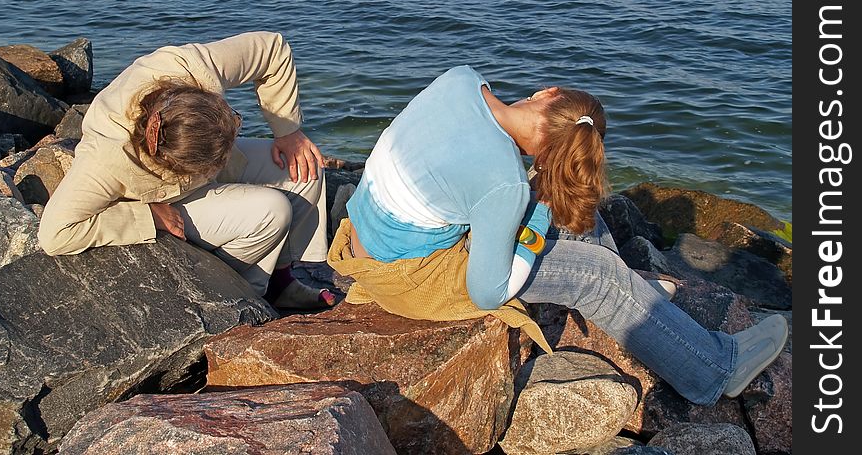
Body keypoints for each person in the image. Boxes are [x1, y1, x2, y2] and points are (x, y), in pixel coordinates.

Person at [328, 65, 788, 405]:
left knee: (564, 205)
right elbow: (487, 293)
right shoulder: (503, 182)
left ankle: (634, 296)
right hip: (404, 274)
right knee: (596, 273)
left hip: (367, 232)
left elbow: (474, 168)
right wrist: (538, 215)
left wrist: (540, 200)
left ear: (546, 93)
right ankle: (713, 370)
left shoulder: (462, 80)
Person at [38, 31, 334, 310]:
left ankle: (281, 280)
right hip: (169, 202)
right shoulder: (106, 159)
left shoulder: (189, 68)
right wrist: (147, 216)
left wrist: (287, 131)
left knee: (306, 169)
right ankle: (238, 294)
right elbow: (55, 234)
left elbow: (273, 49)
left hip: (197, 162)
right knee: (273, 211)